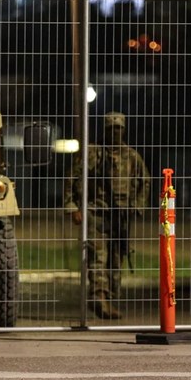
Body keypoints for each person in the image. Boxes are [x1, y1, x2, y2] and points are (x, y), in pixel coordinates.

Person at [63, 112, 151, 319]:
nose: (115, 132)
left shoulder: (132, 157)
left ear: (124, 130)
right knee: (97, 257)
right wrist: (72, 206)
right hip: (96, 212)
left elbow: (144, 182)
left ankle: (109, 298)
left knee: (116, 258)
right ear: (105, 129)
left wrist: (137, 207)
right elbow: (72, 178)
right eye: (112, 129)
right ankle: (99, 297)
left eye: (119, 129)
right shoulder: (92, 153)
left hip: (120, 216)